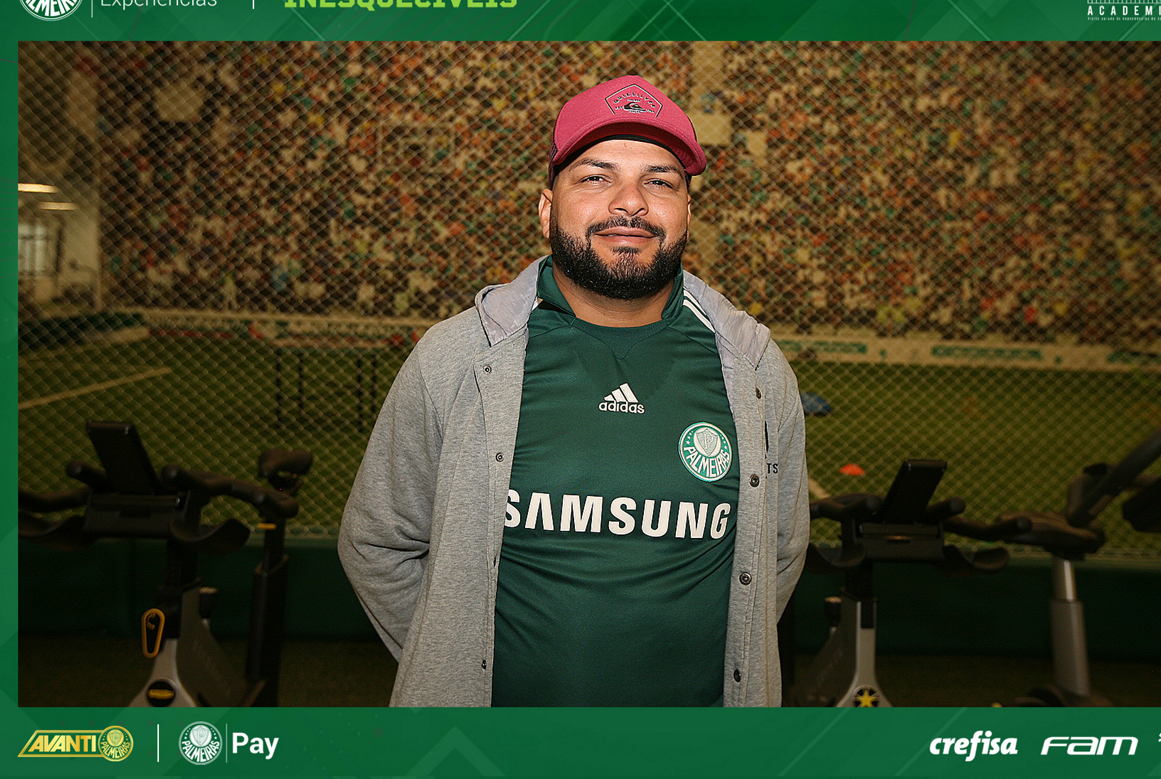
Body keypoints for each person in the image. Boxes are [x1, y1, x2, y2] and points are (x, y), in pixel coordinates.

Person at [338, 75, 809, 707]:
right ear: (545, 209)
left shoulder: (756, 370)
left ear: (687, 213)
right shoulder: (455, 359)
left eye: (660, 181)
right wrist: (454, 668)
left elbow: (778, 555)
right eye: (595, 177)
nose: (630, 203)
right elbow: (379, 543)